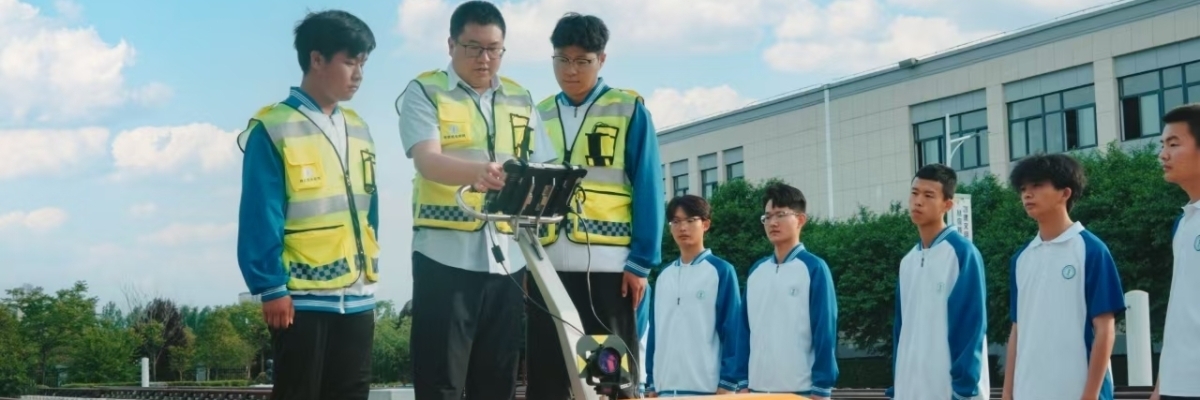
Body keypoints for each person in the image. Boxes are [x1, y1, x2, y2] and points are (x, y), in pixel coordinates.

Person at [394, 1, 555, 399]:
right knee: (441, 380)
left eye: (494, 49)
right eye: (473, 48)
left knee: (498, 380)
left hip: (508, 258)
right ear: (451, 45)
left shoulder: (520, 97)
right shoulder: (425, 90)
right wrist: (476, 173)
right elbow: (427, 160)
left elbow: (545, 165)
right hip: (445, 256)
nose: (485, 58)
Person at [234, 9, 378, 400]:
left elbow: (370, 210)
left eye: (363, 64)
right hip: (300, 299)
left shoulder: (359, 128)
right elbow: (260, 214)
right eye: (350, 62)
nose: (358, 74)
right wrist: (271, 287)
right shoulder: (273, 127)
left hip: (358, 296)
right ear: (317, 59)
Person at [524, 11, 664, 400]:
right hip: (548, 267)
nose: (571, 70)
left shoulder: (627, 109)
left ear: (601, 59)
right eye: (562, 59)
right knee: (547, 379)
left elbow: (648, 186)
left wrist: (640, 263)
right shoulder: (539, 114)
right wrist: (525, 262)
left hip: (607, 271)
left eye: (582, 61)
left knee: (609, 381)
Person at [1001, 153, 1126, 400]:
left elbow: (1105, 329)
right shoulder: (1021, 259)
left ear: (1065, 193)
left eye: (1037, 185)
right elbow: (1017, 329)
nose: (1027, 194)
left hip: (1076, 390)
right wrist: (1007, 393)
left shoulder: (1091, 250)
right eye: (1023, 189)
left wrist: (1090, 396)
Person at [886, 164, 989, 400]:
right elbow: (901, 330)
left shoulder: (962, 254)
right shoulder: (908, 261)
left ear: (947, 205)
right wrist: (897, 386)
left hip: (949, 392)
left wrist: (963, 392)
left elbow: (971, 327)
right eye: (914, 193)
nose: (918, 201)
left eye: (928, 195)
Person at [736, 182, 838, 399]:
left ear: (800, 219)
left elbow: (825, 331)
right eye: (767, 217)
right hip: (755, 391)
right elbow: (743, 331)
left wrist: (821, 387)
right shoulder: (756, 271)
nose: (773, 222)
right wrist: (742, 382)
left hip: (800, 391)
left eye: (780, 215)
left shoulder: (814, 268)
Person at [644, 194, 743, 397]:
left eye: (690, 220)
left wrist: (728, 382)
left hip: (707, 390)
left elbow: (733, 330)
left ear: (705, 224)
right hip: (664, 390)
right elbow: (655, 333)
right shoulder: (663, 276)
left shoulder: (721, 271)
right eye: (676, 221)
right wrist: (651, 382)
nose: (682, 228)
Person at [1151, 104, 1200, 400]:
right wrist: (1161, 386)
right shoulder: (1183, 224)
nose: (1163, 155)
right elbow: (1181, 311)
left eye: (1173, 144)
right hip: (1177, 384)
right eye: (1163, 145)